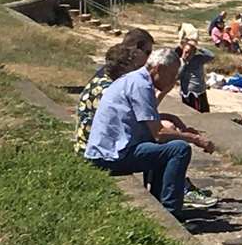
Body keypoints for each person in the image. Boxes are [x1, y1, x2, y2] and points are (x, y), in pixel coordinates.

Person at [84, 48, 215, 217]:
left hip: (106, 151)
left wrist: (174, 119)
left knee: (166, 148)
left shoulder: (135, 80)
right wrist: (195, 138)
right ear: (158, 68)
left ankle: (161, 202)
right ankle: (170, 211)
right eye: (172, 74)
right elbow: (158, 133)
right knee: (179, 149)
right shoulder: (141, 85)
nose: (174, 80)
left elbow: (145, 117)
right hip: (111, 156)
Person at [74, 29, 155, 154]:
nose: (149, 59)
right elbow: (141, 119)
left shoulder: (105, 77)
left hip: (95, 144)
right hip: (97, 150)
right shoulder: (108, 88)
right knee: (158, 138)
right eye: (148, 52)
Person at [177, 39, 215, 113]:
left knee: (204, 113)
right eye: (186, 52)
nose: (187, 55)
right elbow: (177, 76)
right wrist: (184, 63)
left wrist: (198, 47)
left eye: (190, 53)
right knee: (190, 112)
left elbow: (211, 56)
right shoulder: (179, 62)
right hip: (187, 93)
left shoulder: (198, 59)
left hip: (199, 91)